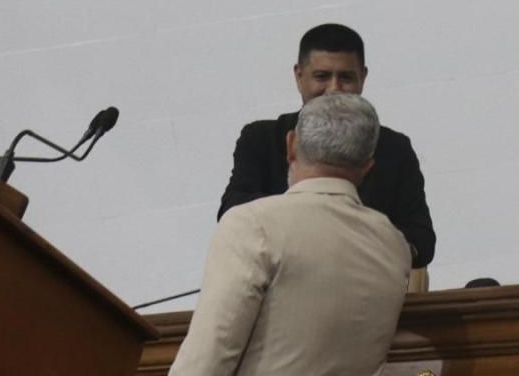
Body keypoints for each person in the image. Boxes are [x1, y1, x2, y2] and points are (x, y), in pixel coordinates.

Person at [171, 93, 411, 376]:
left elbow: (206, 360)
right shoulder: (394, 245)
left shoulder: (252, 224)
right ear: (368, 165)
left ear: (291, 145)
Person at [219, 23, 435, 268]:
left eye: (346, 77)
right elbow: (232, 210)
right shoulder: (261, 138)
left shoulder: (394, 148)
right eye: (322, 76)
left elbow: (422, 241)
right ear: (299, 76)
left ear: (363, 77)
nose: (334, 89)